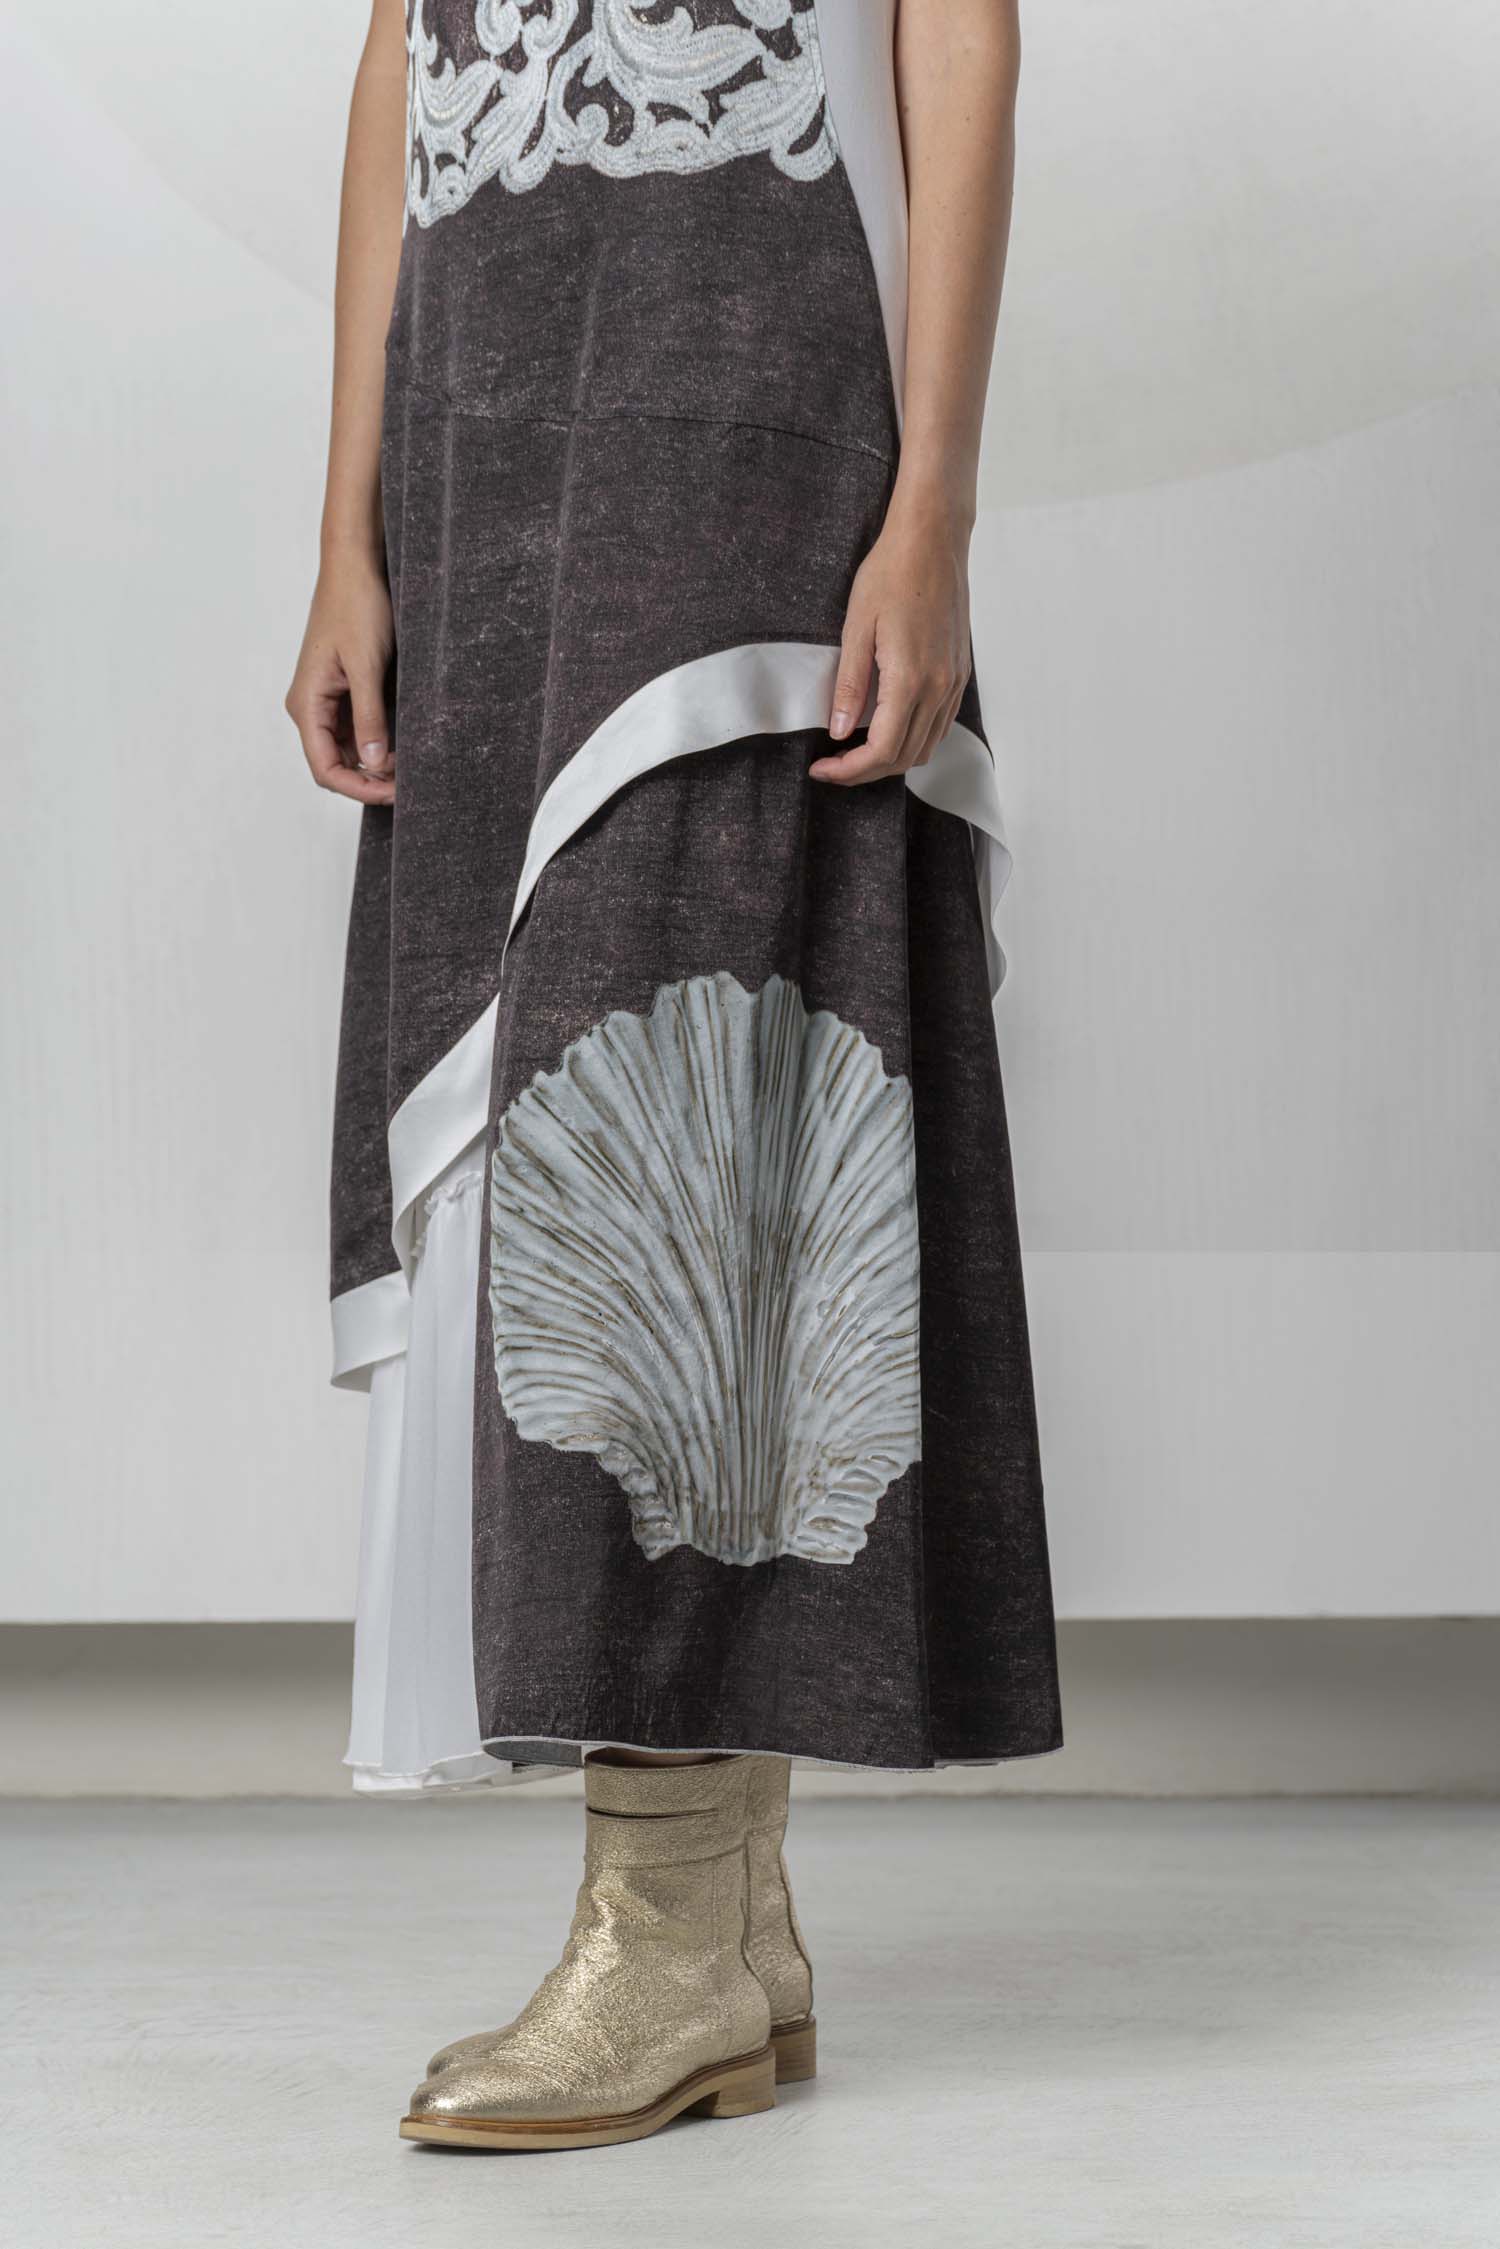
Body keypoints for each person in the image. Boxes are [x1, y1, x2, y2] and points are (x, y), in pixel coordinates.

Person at [286, 0, 1060, 2153]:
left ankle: (666, 1922)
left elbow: (957, 28)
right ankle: (732, 1908)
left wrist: (933, 500)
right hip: (484, 423)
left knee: (675, 1095)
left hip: (753, 407)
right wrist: (348, 523)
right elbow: (404, 52)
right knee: (574, 1092)